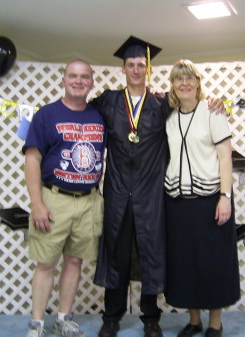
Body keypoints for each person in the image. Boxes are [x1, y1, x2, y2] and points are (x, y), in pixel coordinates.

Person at [91, 36, 226, 337]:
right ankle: (111, 317)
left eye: (141, 64)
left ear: (148, 69)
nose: (136, 69)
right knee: (116, 251)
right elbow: (81, 114)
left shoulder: (162, 102)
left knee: (151, 251)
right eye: (131, 65)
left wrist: (215, 102)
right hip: (117, 193)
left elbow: (191, 103)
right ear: (123, 68)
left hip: (151, 194)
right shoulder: (108, 101)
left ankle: (150, 317)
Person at [22, 59, 106, 337]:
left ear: (92, 82)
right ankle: (36, 325)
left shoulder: (98, 115)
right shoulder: (46, 115)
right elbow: (32, 160)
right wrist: (37, 204)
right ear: (64, 80)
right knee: (46, 262)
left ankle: (63, 319)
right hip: (54, 198)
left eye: (84, 77)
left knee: (74, 261)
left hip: (89, 200)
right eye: (73, 76)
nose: (78, 81)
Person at [164, 59, 241, 337]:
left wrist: (225, 197)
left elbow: (225, 157)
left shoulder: (213, 112)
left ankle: (215, 324)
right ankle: (194, 321)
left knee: (214, 262)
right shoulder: (169, 118)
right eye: (178, 79)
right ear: (172, 85)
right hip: (177, 203)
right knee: (185, 263)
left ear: (197, 82)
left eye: (189, 78)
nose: (184, 83)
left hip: (210, 200)